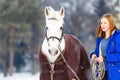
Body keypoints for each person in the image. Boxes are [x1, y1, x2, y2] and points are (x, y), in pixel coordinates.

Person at [90, 13, 120, 80]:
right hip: (101, 73)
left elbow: (119, 55)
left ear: (110, 24)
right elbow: (97, 52)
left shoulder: (117, 37)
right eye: (101, 23)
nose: (102, 25)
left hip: (114, 74)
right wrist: (94, 55)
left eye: (105, 23)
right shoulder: (100, 39)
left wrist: (104, 57)